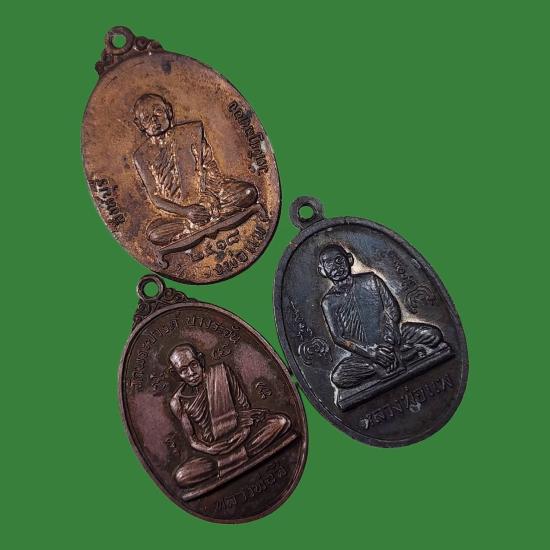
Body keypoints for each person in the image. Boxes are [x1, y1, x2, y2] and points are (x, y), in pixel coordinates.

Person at [133, 94, 258, 245]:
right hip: (180, 213)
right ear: (139, 124)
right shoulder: (141, 156)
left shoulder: (191, 132)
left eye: (158, 111)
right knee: (154, 235)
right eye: (146, 118)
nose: (154, 120)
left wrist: (208, 198)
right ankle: (201, 220)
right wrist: (185, 211)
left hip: (210, 197)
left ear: (168, 111)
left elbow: (210, 167)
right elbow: (155, 198)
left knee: (248, 193)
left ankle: (199, 222)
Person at [318, 244, 444, 389]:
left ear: (350, 259)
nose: (336, 267)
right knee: (339, 377)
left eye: (339, 260)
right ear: (322, 270)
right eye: (329, 263)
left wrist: (389, 343)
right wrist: (371, 353)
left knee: (433, 335)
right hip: (364, 354)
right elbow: (338, 338)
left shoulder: (371, 280)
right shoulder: (329, 302)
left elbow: (392, 311)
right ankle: (394, 359)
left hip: (394, 338)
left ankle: (391, 358)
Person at [168, 344, 289, 488]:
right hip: (213, 454)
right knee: (182, 476)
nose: (191, 373)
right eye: (183, 370)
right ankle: (235, 459)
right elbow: (192, 440)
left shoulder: (221, 372)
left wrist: (244, 432)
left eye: (193, 364)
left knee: (280, 422)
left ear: (200, 360)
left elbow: (243, 406)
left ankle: (237, 456)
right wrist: (210, 449)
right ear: (176, 374)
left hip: (242, 437)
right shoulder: (178, 402)